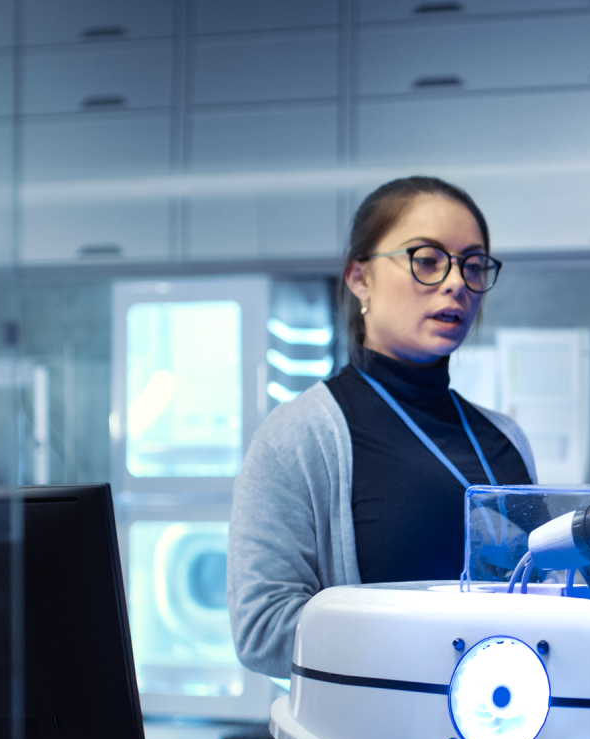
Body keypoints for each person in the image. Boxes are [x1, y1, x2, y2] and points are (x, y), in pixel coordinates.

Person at [229, 176, 536, 680]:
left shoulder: (507, 439)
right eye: (429, 260)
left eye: (473, 264)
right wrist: (440, 643)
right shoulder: (299, 438)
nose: (457, 282)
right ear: (359, 278)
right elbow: (262, 630)